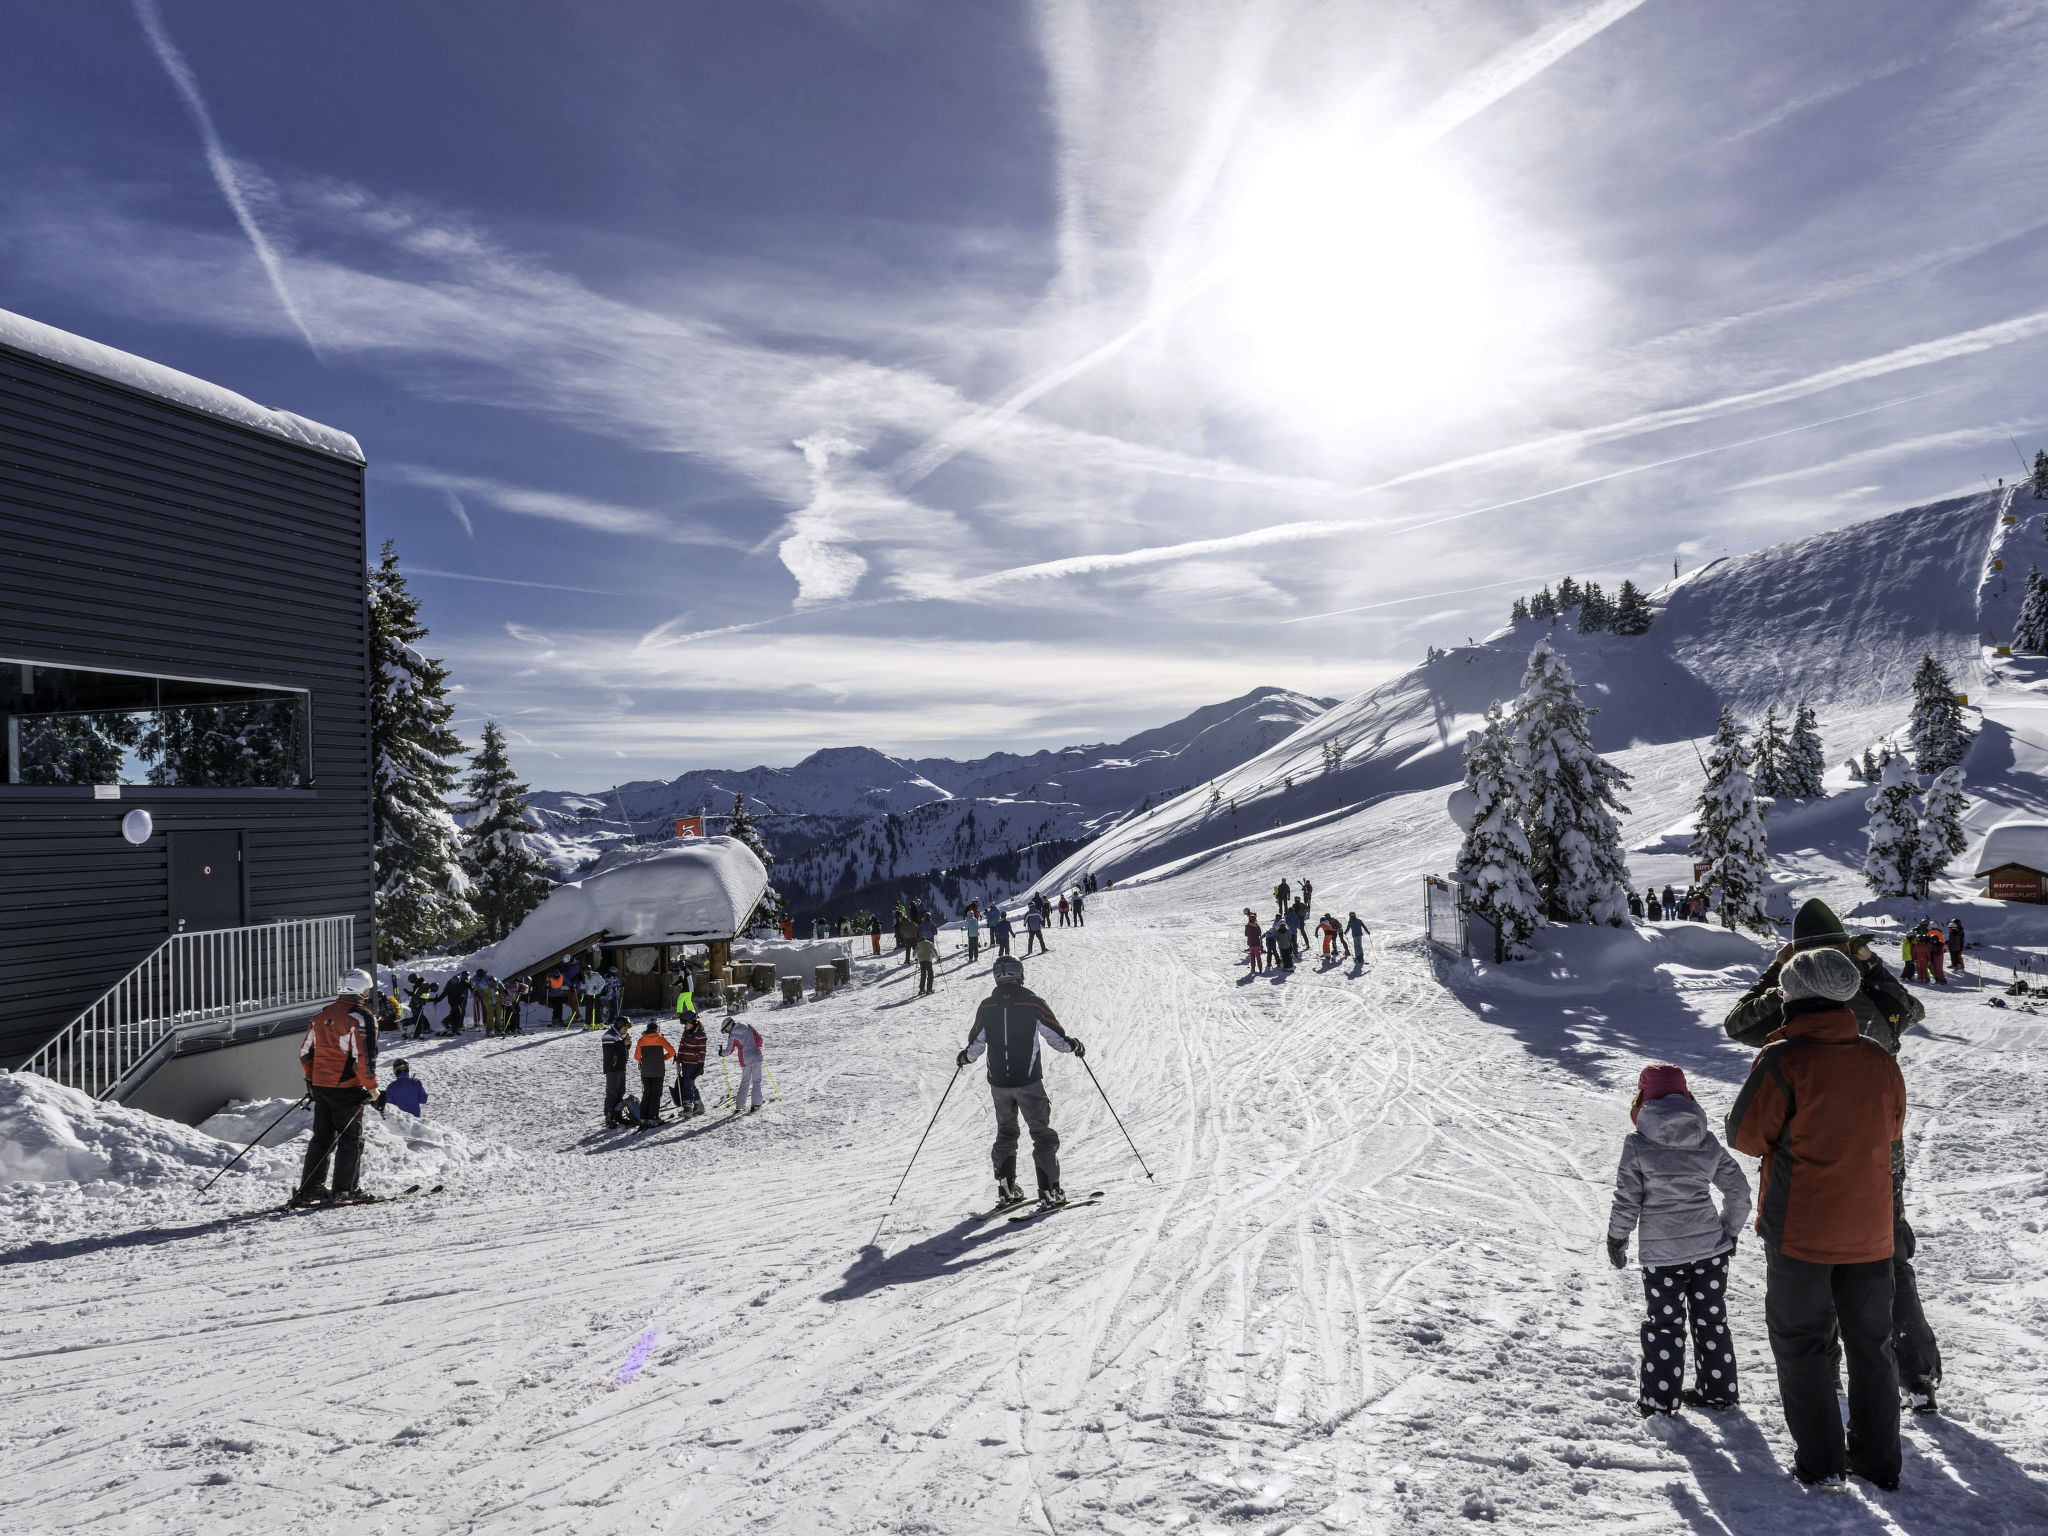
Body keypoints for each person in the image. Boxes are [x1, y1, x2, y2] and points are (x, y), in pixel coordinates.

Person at [1724, 899, 1939, 1408]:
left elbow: (1737, 1025)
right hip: (1878, 1146)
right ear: (1845, 945)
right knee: (1886, 1255)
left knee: (1812, 1263)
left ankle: (1827, 1378)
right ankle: (1916, 1373)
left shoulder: (1791, 999)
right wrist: (1870, 963)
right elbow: (1910, 1009)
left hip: (1812, 1151)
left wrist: (1777, 971)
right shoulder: (1865, 991)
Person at [1726, 946, 1908, 1489]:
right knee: (1871, 1345)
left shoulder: (1785, 1058)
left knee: (1801, 1342)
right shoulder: (1879, 1060)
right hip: (1871, 1229)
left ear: (1794, 999)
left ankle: (1823, 1462)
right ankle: (1878, 1460)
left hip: (1800, 1229)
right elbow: (1892, 1130)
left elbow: (1746, 1136)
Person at [1606, 1064, 1750, 1416]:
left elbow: (1628, 1198)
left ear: (1642, 1097)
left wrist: (1617, 1237)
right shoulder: (1706, 1140)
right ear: (1686, 1095)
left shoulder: (1638, 1144)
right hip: (1710, 1253)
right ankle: (1719, 1392)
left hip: (1663, 1256)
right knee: (1711, 1321)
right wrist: (1728, 1232)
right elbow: (1740, 1192)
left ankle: (1659, 1402)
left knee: (1665, 1326)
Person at [958, 955, 1083, 1209]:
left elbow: (976, 1045)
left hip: (999, 1085)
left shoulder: (987, 1006)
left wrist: (964, 1058)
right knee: (1042, 1135)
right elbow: (1056, 1038)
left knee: (1006, 1132)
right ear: (1020, 975)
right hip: (1028, 1081)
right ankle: (1050, 1192)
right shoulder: (1032, 1003)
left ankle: (1007, 1190)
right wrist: (1074, 1046)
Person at [293, 970, 382, 1206]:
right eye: (368, 989)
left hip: (321, 1087)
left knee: (321, 1138)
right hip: (347, 1088)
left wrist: (312, 1081)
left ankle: (310, 1189)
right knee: (351, 1139)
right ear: (361, 990)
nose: (369, 992)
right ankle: (346, 1189)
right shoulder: (362, 1017)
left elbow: (304, 1054)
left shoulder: (321, 1015)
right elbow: (364, 1056)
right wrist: (372, 1087)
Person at [634, 1020, 676, 1129]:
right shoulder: (661, 1039)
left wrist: (644, 1060)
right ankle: (653, 1118)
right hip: (658, 1071)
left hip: (646, 1072)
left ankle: (643, 1119)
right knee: (655, 1095)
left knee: (646, 1094)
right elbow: (672, 1052)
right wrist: (662, 1058)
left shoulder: (641, 1040)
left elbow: (637, 1057)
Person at [721, 1015, 767, 1114]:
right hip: (757, 1056)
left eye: (726, 1031)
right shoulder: (748, 1027)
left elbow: (729, 1051)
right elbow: (760, 1040)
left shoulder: (733, 1035)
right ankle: (756, 1104)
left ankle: (740, 1106)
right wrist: (755, 1047)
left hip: (745, 1060)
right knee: (757, 1081)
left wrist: (722, 1053)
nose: (727, 1033)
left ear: (729, 1027)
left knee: (745, 1081)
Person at [674, 1011, 708, 1117]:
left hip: (694, 1064)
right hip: (685, 1063)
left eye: (687, 1023)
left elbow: (702, 1051)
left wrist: (700, 1066)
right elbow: (681, 1047)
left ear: (693, 1022)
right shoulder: (686, 1032)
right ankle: (699, 1106)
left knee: (687, 1085)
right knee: (690, 1084)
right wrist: (678, 1061)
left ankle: (688, 1109)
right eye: (684, 1023)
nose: (685, 1025)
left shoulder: (700, 1035)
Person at [601, 1016, 633, 1126]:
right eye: (625, 1028)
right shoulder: (609, 1035)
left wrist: (627, 1044)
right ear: (619, 1026)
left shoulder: (619, 1036)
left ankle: (617, 1114)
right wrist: (623, 1043)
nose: (626, 1030)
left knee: (621, 1091)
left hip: (621, 1067)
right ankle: (609, 1117)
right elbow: (611, 1052)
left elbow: (621, 1051)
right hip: (613, 1069)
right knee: (612, 1092)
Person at [915, 932, 938, 996]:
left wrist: (917, 958)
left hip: (921, 961)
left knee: (923, 974)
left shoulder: (918, 945)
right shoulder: (929, 943)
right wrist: (937, 957)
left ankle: (921, 990)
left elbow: (914, 954)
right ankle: (929, 990)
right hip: (928, 960)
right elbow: (934, 951)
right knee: (930, 974)